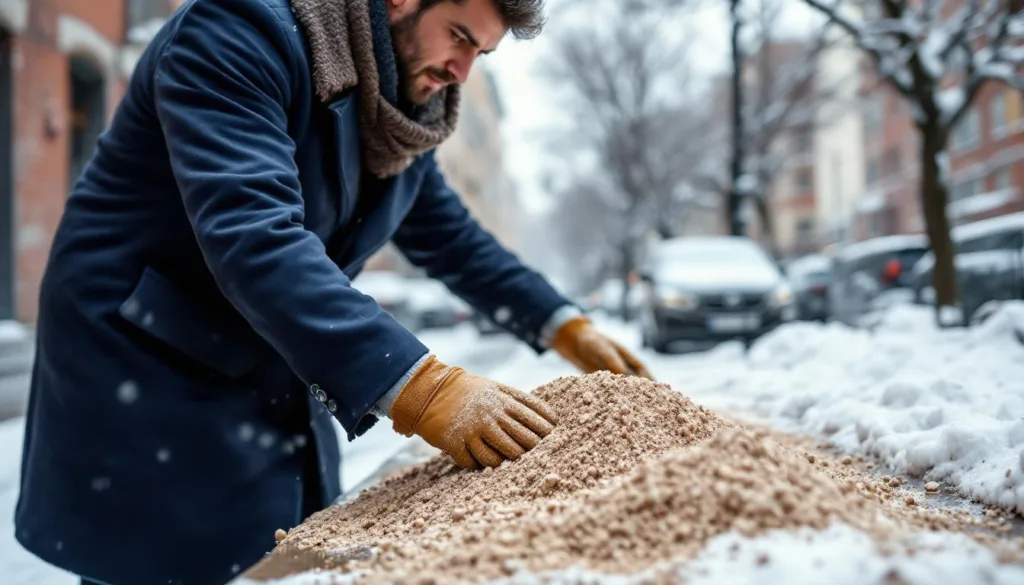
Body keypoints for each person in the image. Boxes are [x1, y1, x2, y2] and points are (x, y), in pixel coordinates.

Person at [15, 0, 652, 583]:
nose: (461, 71)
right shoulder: (240, 29)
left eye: (479, 55)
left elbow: (453, 240)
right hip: (150, 366)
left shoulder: (399, 113)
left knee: (281, 553)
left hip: (261, 357)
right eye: (457, 36)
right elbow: (253, 234)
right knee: (168, 564)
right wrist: (423, 387)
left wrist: (560, 323)